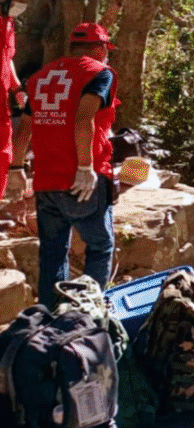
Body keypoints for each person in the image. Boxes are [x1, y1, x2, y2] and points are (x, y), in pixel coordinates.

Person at [7, 22, 119, 308]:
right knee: (100, 247)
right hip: (81, 181)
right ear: (100, 48)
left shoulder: (42, 76)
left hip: (46, 181)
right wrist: (85, 167)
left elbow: (25, 127)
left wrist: (16, 169)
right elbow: (84, 120)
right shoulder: (99, 73)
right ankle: (88, 316)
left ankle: (50, 316)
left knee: (53, 253)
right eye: (106, 49)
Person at [0, 0, 33, 200]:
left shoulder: (7, 23)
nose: (21, 4)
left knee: (3, 155)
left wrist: (18, 89)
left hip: (2, 105)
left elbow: (7, 58)